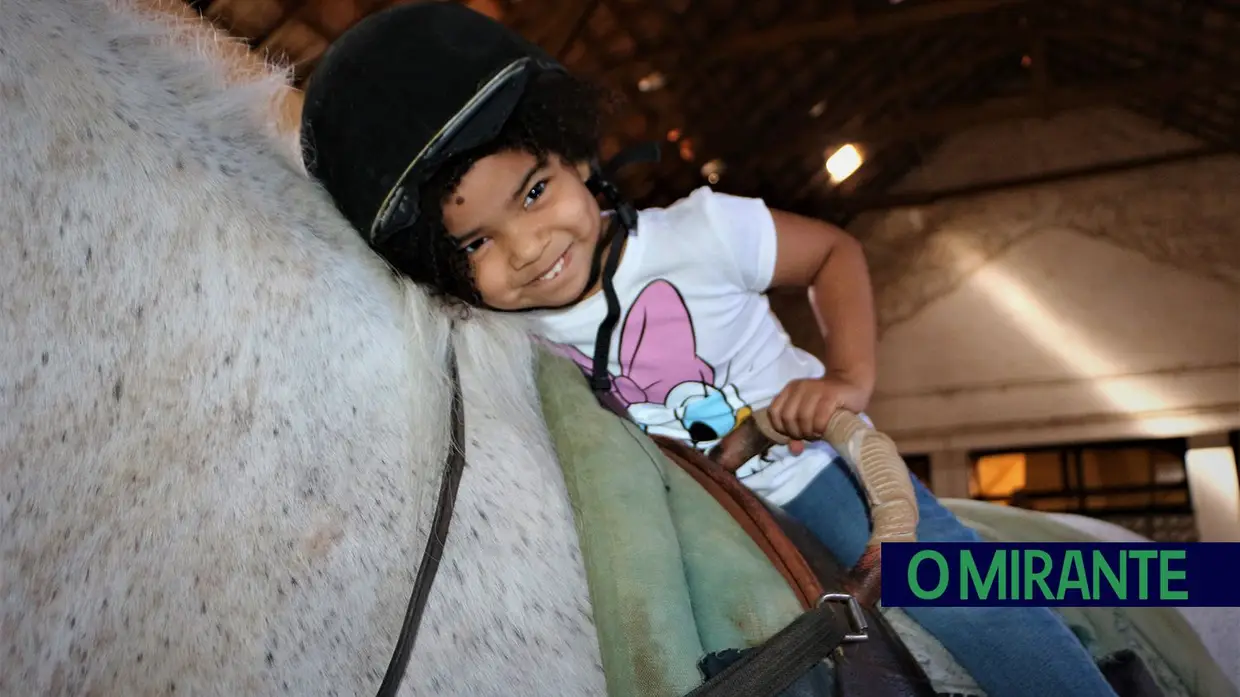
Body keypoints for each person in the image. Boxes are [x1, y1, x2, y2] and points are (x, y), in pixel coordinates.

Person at [297, 4, 1118, 697]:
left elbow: (835, 255)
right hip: (674, 520)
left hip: (807, 475)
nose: (526, 246)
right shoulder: (510, 336)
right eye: (477, 240)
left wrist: (844, 380)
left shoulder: (701, 232)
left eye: (535, 191)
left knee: (955, 590)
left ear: (576, 156)